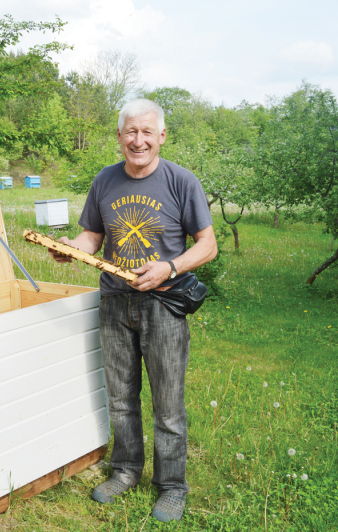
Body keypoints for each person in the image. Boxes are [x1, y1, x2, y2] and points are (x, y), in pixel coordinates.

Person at [50, 98, 217, 522]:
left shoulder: (182, 181)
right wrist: (73, 248)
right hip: (114, 302)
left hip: (163, 304)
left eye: (146, 132)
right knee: (122, 399)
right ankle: (125, 472)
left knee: (168, 404)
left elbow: (207, 245)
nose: (138, 140)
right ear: (120, 136)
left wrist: (170, 266)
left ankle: (172, 486)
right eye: (130, 132)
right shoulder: (104, 180)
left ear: (161, 136)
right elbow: (91, 235)